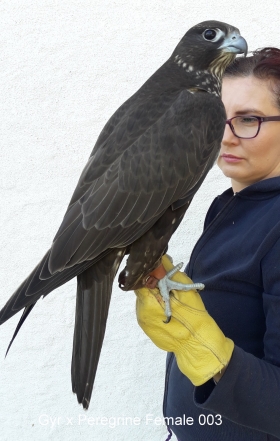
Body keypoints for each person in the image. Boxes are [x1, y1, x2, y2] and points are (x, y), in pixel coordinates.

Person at [134, 47, 280, 441]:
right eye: (217, 118)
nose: (225, 137)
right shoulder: (230, 205)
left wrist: (206, 352)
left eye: (248, 119)